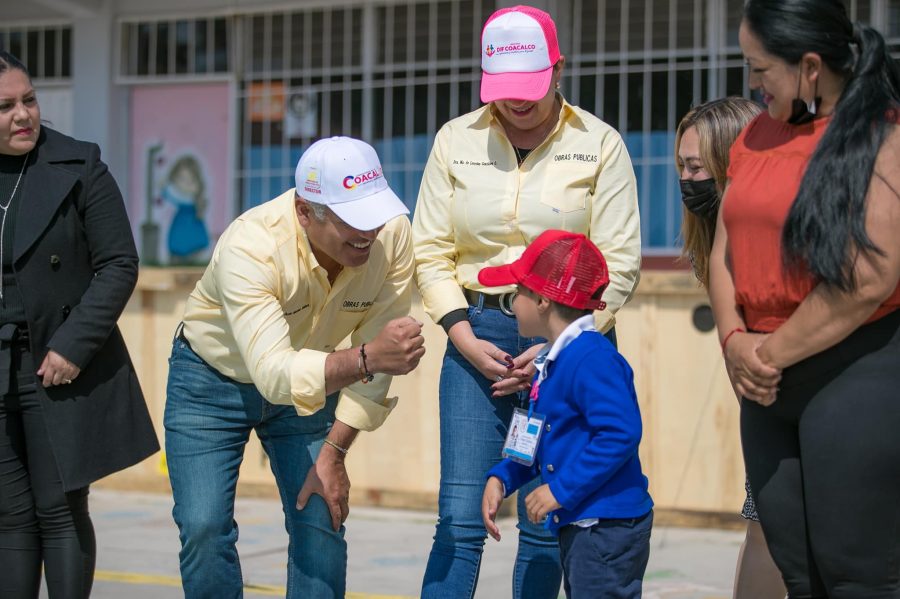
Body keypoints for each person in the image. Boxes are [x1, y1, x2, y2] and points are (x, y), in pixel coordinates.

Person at [412, 5, 641, 597]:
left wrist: (554, 349)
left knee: (545, 520)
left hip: (571, 343)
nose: (518, 103)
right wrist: (462, 335)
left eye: (531, 89)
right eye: (505, 90)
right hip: (477, 338)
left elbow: (618, 260)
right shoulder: (453, 141)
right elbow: (430, 249)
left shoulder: (600, 144)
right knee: (462, 515)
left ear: (558, 69)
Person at [164, 136, 426, 598]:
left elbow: (380, 354)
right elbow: (279, 374)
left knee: (321, 518)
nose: (369, 233)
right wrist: (366, 358)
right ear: (306, 212)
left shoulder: (393, 234)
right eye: (353, 220)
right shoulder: (251, 245)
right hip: (209, 383)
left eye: (376, 213)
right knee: (204, 528)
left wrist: (335, 452)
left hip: (313, 382)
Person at [709, 1, 900, 595]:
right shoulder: (757, 133)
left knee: (857, 574)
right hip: (763, 379)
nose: (752, 81)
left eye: (761, 67)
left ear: (811, 68)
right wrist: (734, 340)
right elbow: (724, 248)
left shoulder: (881, 136)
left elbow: (868, 276)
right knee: (797, 568)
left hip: (853, 371)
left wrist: (767, 355)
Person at [0, 51, 159, 598]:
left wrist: (74, 345)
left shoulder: (79, 162)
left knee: (61, 507)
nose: (23, 115)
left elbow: (119, 263)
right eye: (5, 107)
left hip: (58, 363)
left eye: (29, 100)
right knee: (10, 517)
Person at [479, 230, 653, 599]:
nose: (512, 306)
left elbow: (620, 433)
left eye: (517, 294)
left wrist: (561, 489)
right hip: (585, 523)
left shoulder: (593, 358)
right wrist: (503, 477)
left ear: (542, 300)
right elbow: (538, 436)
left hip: (606, 528)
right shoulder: (553, 360)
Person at [674, 98, 786, 599]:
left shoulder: (769, 231)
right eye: (681, 165)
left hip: (796, 395)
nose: (686, 178)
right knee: (763, 522)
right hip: (760, 401)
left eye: (697, 166)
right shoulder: (707, 245)